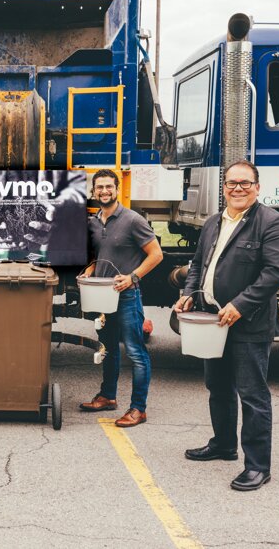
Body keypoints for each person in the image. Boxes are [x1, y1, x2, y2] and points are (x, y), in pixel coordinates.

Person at [175, 160, 279, 491]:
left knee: (252, 394)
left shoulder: (271, 222)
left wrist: (240, 305)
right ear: (223, 187)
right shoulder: (213, 223)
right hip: (213, 320)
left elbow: (275, 273)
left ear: (257, 186)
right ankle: (224, 444)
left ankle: (257, 466)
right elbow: (198, 265)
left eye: (245, 183)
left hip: (248, 323)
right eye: (231, 183)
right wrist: (188, 294)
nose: (237, 189)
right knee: (218, 386)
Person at [78, 169, 163, 427]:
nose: (104, 191)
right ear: (94, 192)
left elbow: (156, 255)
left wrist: (132, 278)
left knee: (136, 352)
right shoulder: (94, 223)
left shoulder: (133, 220)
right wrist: (91, 269)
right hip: (104, 298)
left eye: (108, 187)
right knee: (109, 350)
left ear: (117, 189)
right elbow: (99, 254)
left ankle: (139, 409)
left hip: (127, 296)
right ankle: (107, 396)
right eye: (99, 187)